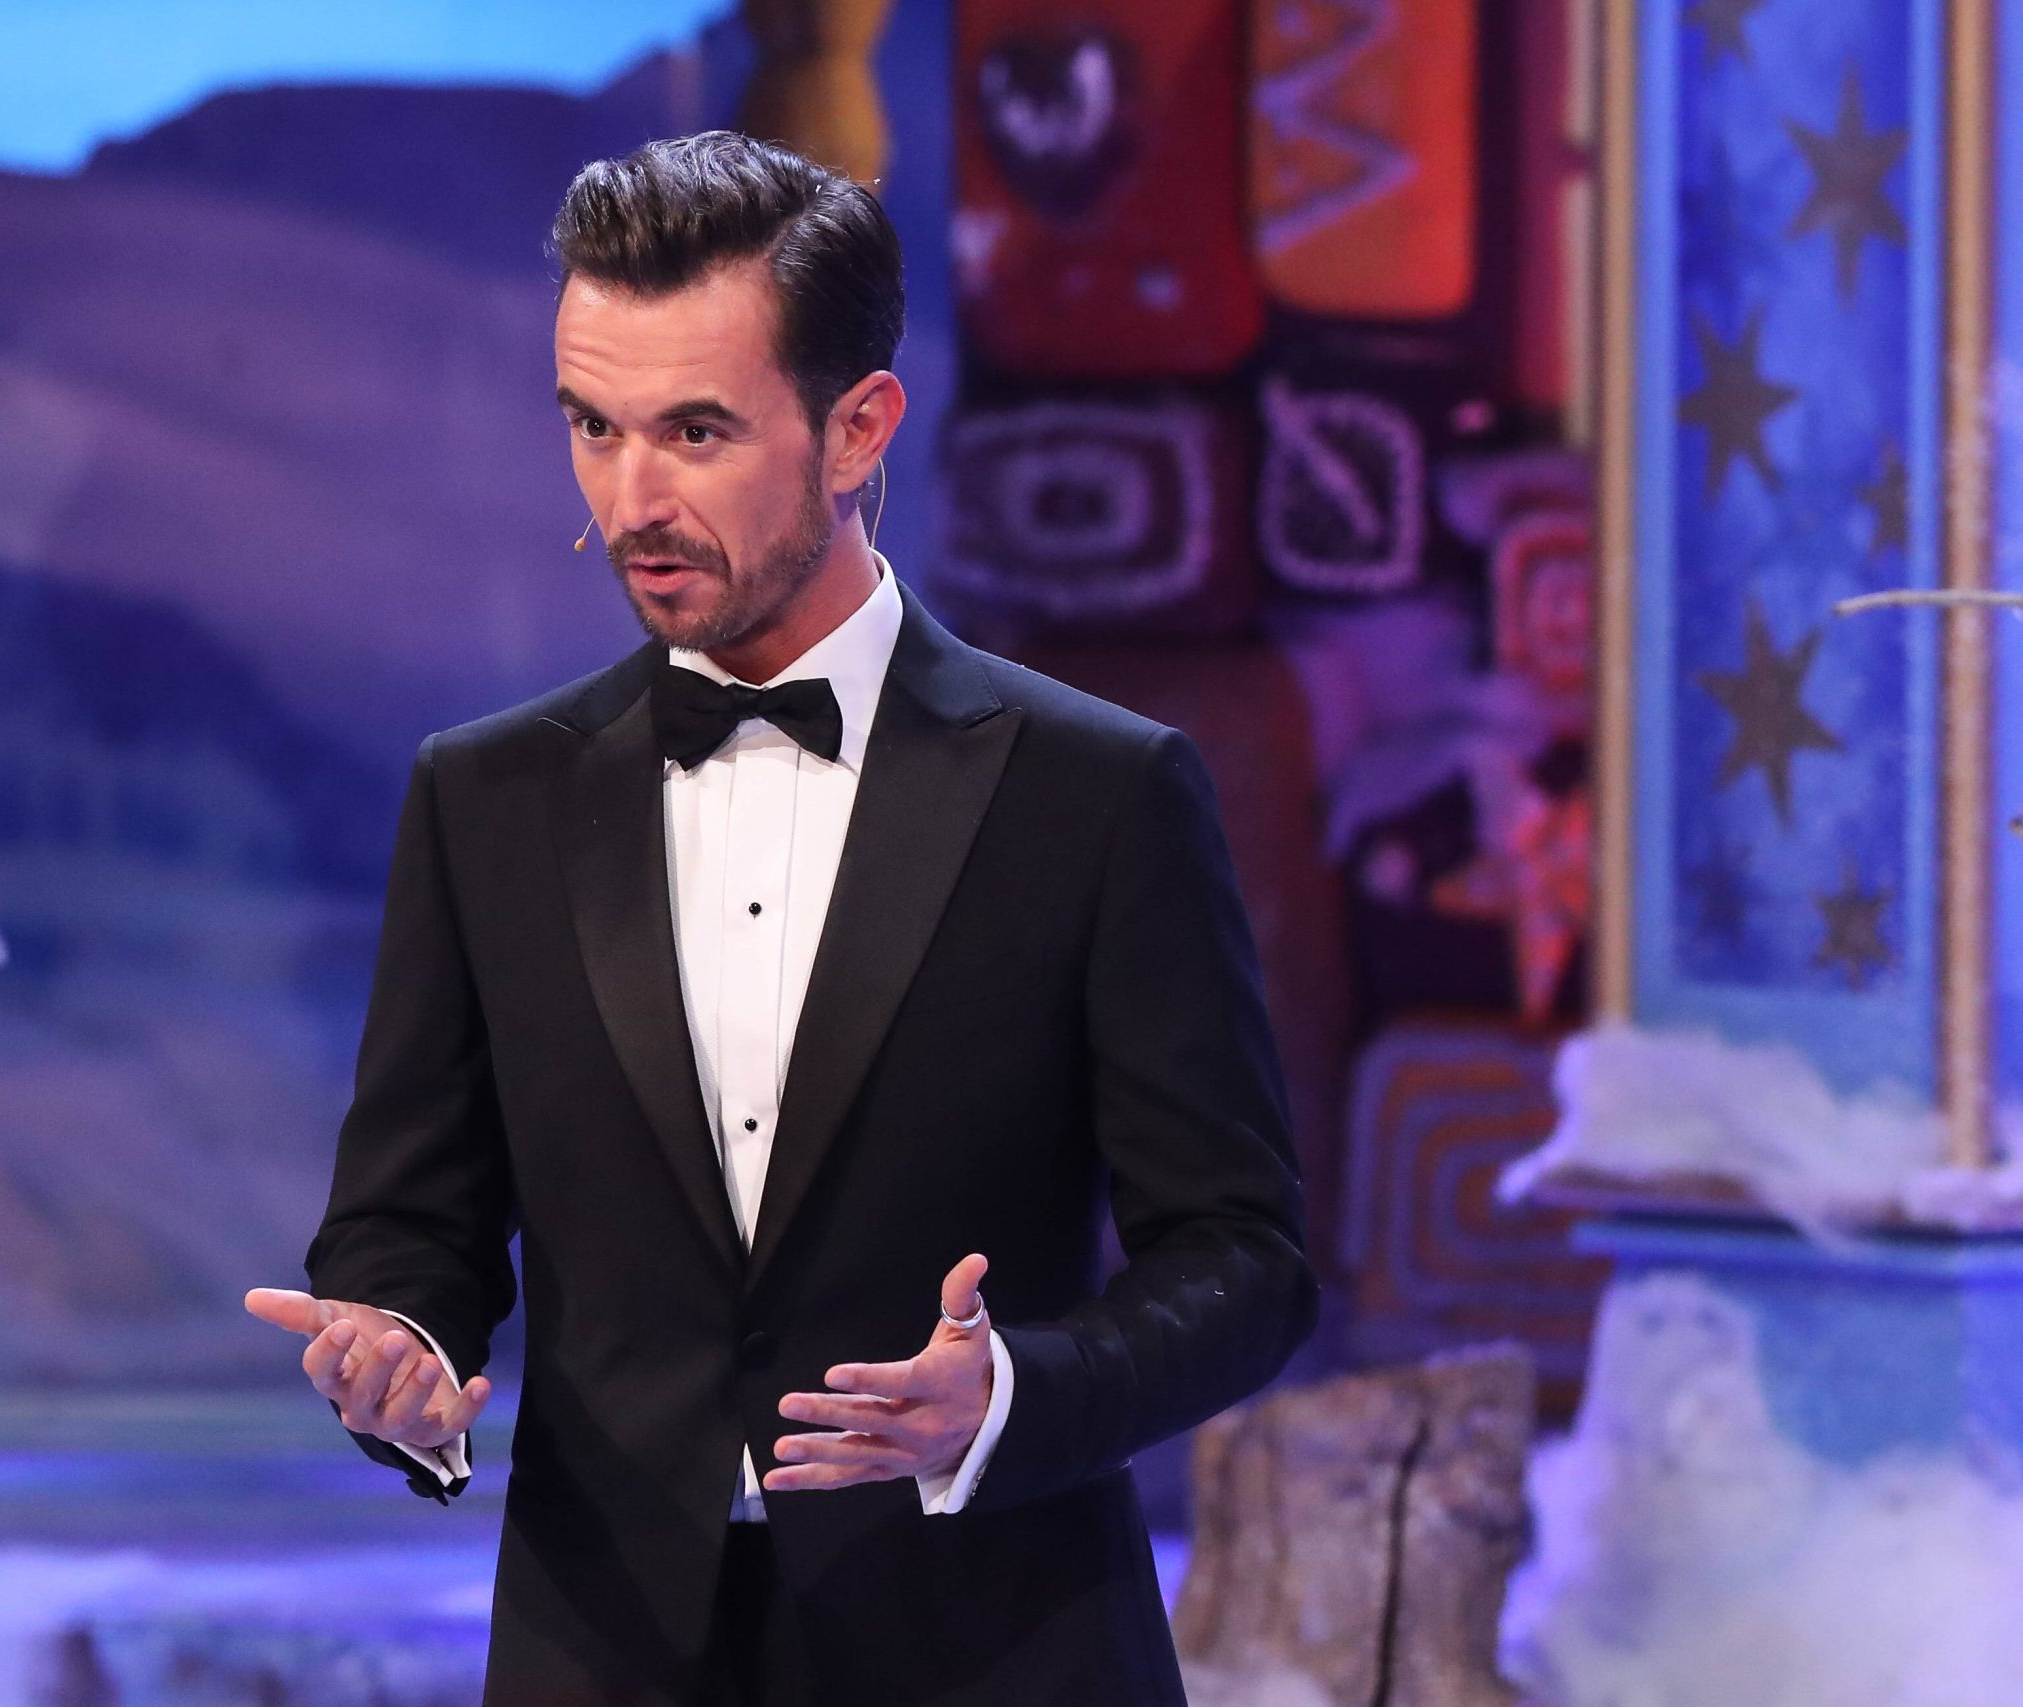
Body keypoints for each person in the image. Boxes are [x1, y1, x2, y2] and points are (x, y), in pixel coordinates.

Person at [245, 130, 1315, 1706]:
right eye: (593, 427)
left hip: (995, 1649)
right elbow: (414, 1219)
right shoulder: (486, 799)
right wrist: (400, 1350)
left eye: (695, 431)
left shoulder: (1097, 792)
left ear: (858, 427)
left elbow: (1243, 1256)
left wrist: (1013, 1396)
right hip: (603, 1656)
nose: (633, 499)